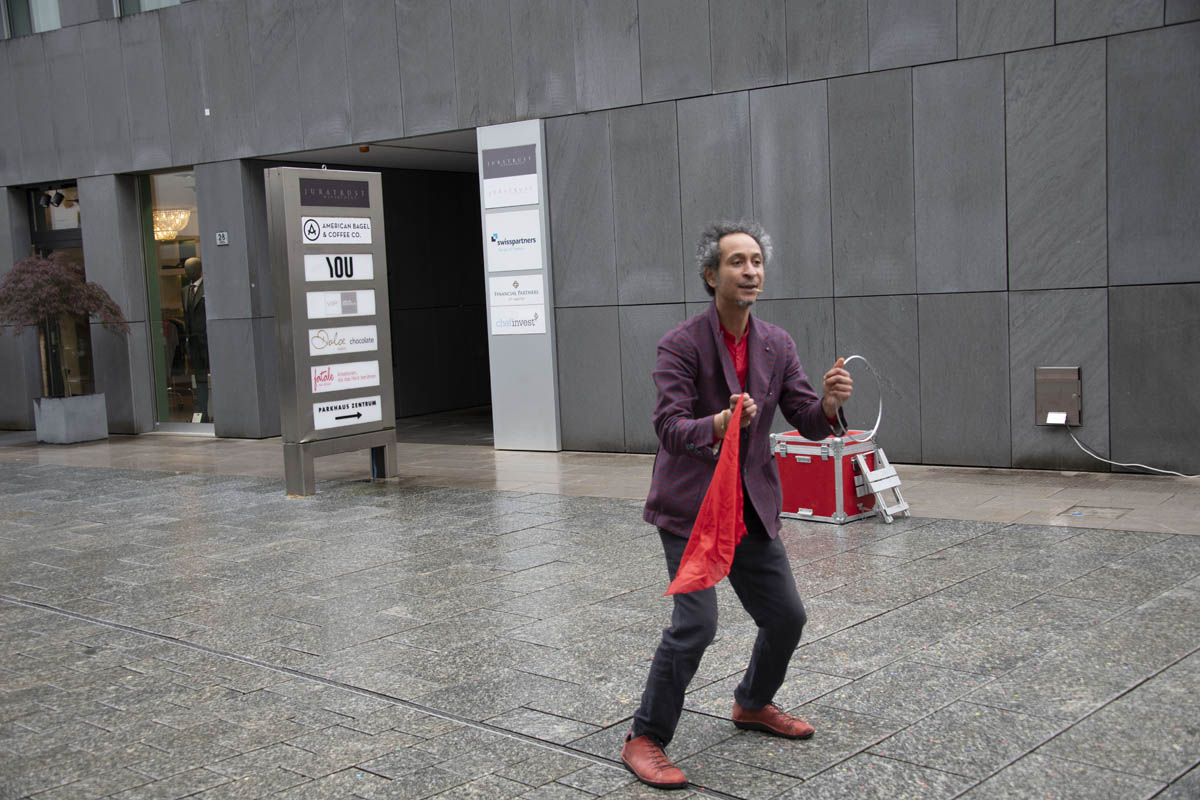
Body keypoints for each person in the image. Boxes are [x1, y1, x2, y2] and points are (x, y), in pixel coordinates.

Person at [621, 220, 854, 790]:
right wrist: (719, 423)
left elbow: (806, 418)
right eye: (737, 262)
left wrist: (827, 404)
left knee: (787, 617)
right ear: (711, 275)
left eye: (757, 261)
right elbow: (669, 427)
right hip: (694, 508)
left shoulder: (776, 343)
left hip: (751, 504)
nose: (751, 271)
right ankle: (645, 737)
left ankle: (752, 702)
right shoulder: (681, 343)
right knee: (696, 626)